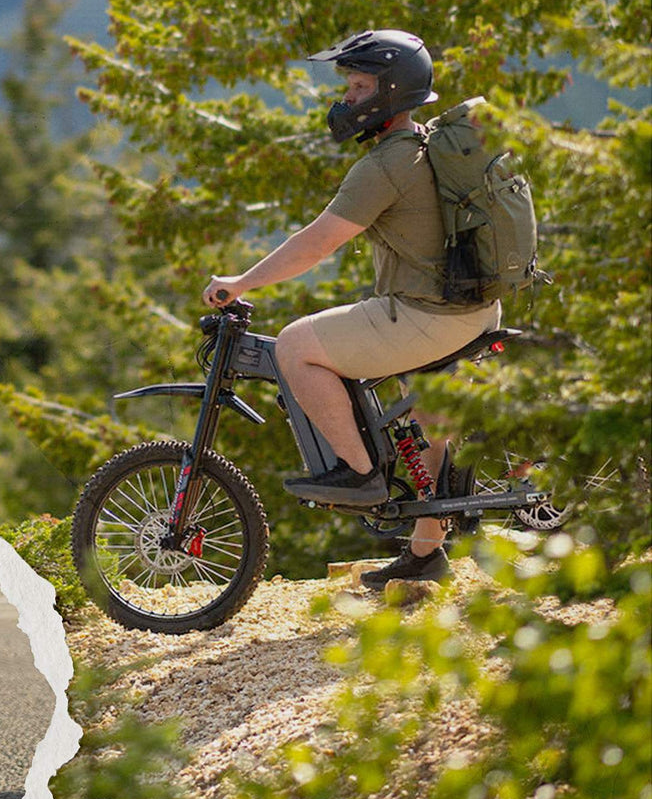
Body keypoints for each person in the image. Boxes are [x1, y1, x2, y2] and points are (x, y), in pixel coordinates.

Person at [201, 30, 499, 590]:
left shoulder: (387, 165)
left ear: (389, 92)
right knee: (429, 424)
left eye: (359, 87)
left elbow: (315, 244)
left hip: (429, 316)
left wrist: (240, 282)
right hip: (474, 310)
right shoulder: (432, 144)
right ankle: (425, 553)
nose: (347, 100)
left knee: (296, 345)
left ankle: (361, 474)